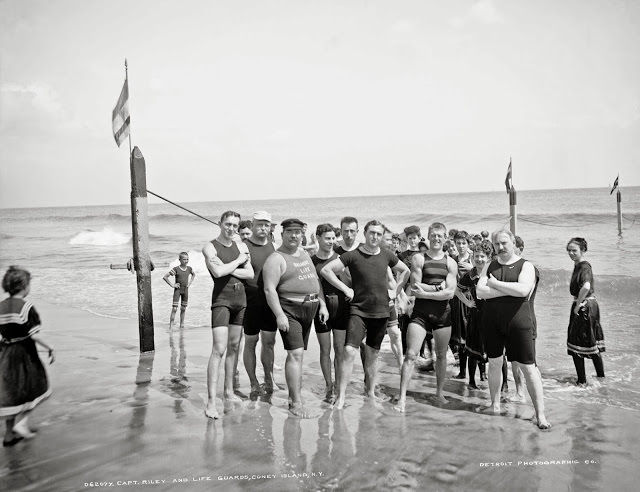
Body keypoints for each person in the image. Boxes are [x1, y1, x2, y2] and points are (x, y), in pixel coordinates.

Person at [321, 220, 410, 410]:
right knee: (349, 351)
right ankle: (341, 397)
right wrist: (346, 288)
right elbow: (326, 270)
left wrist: (396, 291)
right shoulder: (353, 256)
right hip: (358, 311)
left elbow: (405, 271)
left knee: (372, 355)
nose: (375, 237)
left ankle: (370, 393)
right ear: (365, 234)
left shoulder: (387, 255)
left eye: (378, 234)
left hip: (381, 312)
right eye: (372, 233)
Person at [476, 229, 550, 430]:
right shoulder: (489, 265)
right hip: (492, 321)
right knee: (494, 363)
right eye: (497, 244)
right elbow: (480, 292)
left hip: (519, 322)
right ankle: (495, 404)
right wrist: (508, 289)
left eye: (504, 243)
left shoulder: (526, 266)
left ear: (513, 242)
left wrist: (496, 284)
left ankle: (540, 414)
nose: (500, 247)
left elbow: (523, 290)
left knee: (528, 367)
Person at [263, 218, 329, 418]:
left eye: (298, 232)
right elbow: (269, 289)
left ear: (303, 234)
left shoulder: (304, 254)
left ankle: (295, 394)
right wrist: (280, 315)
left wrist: (323, 304)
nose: (294, 235)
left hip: (310, 308)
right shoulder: (276, 259)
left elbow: (315, 281)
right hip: (290, 309)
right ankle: (295, 402)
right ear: (282, 234)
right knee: (296, 354)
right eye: (290, 231)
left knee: (299, 355)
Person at [395, 222, 458, 411]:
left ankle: (439, 393)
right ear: (428, 237)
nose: (436, 239)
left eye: (440, 236)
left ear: (445, 238)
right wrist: (439, 287)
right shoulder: (419, 258)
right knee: (411, 355)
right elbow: (416, 286)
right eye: (433, 235)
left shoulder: (451, 263)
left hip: (442, 314)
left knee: (440, 356)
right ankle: (402, 398)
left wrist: (429, 293)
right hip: (420, 314)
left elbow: (450, 293)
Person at [202, 211, 254, 419]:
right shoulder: (210, 247)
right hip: (221, 301)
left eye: (235, 225)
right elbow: (217, 273)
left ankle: (229, 392)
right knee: (219, 349)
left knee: (234, 347)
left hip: (240, 301)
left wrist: (229, 268)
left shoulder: (241, 246)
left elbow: (249, 273)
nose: (231, 229)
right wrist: (238, 262)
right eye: (228, 224)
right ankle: (211, 402)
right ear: (220, 224)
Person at [0, 266, 54, 446]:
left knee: (11, 395)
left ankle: (8, 435)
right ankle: (22, 424)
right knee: (36, 387)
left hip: (6, 353)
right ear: (24, 286)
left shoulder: (1, 307)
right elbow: (34, 334)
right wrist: (50, 347)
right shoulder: (26, 307)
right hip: (24, 354)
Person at [241, 211, 278, 396]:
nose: (263, 228)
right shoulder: (243, 246)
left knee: (269, 342)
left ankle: (269, 378)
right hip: (250, 302)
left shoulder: (274, 246)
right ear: (253, 225)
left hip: (270, 302)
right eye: (259, 224)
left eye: (266, 225)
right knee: (251, 342)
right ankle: (253, 381)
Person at [311, 223, 349, 402]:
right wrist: (323, 306)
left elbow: (349, 282)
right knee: (325, 349)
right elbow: (315, 286)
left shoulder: (340, 258)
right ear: (318, 238)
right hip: (322, 309)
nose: (331, 241)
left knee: (339, 349)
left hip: (341, 307)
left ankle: (340, 384)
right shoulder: (312, 261)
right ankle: (329, 385)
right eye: (327, 238)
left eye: (333, 238)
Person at [566, 237, 605, 385]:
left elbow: (586, 286)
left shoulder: (584, 266)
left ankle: (581, 381)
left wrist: (577, 305)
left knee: (577, 344)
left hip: (584, 306)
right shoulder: (579, 265)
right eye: (569, 250)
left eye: (574, 250)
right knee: (591, 343)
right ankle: (601, 378)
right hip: (589, 305)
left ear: (583, 251)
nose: (571, 253)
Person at [459, 242, 492, 388]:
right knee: (473, 351)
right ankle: (472, 381)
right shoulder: (470, 274)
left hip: (492, 317)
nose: (479, 259)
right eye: (476, 256)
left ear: (488, 257)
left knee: (496, 352)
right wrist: (467, 302)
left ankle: (504, 385)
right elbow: (457, 290)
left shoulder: (493, 273)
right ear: (473, 257)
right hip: (475, 316)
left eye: (482, 256)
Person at [451, 231, 473, 379]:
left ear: (468, 244)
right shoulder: (452, 260)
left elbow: (483, 275)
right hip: (455, 300)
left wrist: (471, 268)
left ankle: (481, 374)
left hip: (470, 300)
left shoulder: (473, 259)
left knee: (471, 335)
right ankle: (462, 372)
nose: (461, 246)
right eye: (458, 243)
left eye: (463, 243)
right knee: (458, 337)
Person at [163, 252, 196, 329]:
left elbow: (193, 274)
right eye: (184, 259)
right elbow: (165, 277)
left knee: (183, 308)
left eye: (187, 259)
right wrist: (172, 285)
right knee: (174, 309)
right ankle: (171, 326)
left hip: (185, 290)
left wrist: (189, 283)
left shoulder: (189, 268)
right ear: (180, 260)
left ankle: (182, 325)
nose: (186, 261)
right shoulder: (176, 269)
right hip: (177, 291)